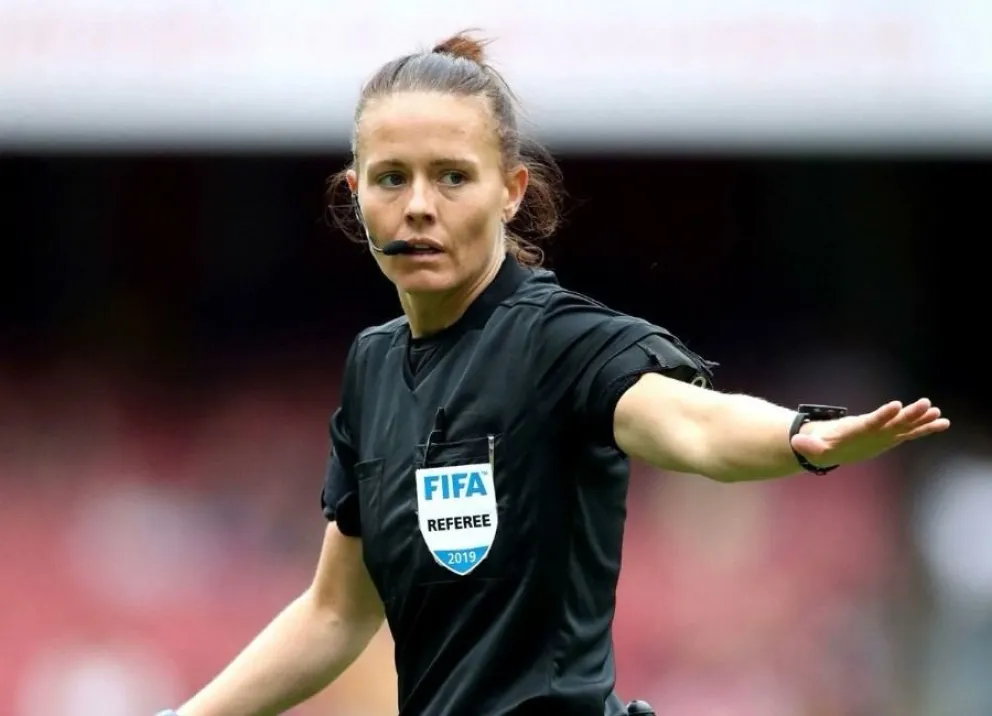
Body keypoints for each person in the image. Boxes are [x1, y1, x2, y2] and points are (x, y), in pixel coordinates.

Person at [160, 31, 950, 716]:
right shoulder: (372, 366)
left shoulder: (555, 341)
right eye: (392, 177)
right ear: (353, 192)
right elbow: (335, 614)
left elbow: (688, 423)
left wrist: (802, 436)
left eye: (453, 176)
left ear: (511, 192)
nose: (419, 205)